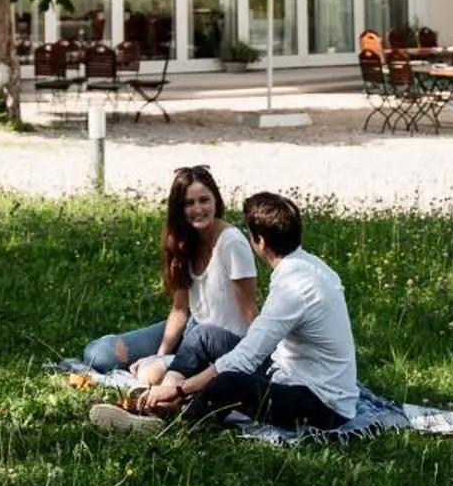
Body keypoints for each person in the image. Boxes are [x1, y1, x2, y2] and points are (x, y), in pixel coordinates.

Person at [90, 192, 357, 436]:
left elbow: (245, 359)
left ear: (260, 242)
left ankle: (173, 423)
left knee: (228, 383)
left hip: (321, 404)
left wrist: (182, 388)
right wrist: (175, 384)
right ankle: (162, 398)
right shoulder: (308, 266)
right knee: (205, 334)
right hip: (286, 370)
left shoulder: (293, 287)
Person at [79, 165, 256, 385]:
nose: (198, 209)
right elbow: (180, 310)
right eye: (189, 203)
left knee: (150, 374)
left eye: (204, 200)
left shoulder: (232, 243)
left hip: (219, 345)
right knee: (99, 355)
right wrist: (160, 354)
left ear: (216, 201)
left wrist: (255, 362)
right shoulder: (184, 241)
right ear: (179, 209)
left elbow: (250, 312)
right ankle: (154, 359)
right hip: (190, 329)